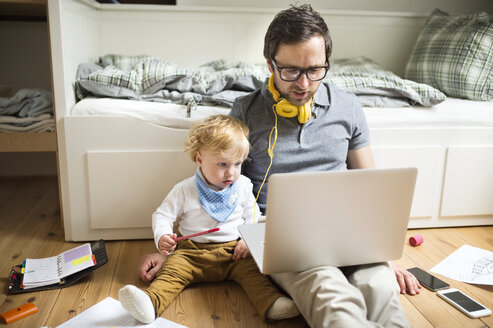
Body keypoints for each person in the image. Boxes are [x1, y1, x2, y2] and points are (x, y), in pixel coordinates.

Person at [137, 4, 422, 327]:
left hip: (346, 231)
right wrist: (167, 250)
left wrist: (381, 254)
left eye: (315, 70)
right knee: (331, 295)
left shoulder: (348, 106)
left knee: (381, 290)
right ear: (270, 64)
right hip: (281, 236)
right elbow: (216, 189)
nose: (304, 84)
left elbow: (372, 188)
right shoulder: (246, 111)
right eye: (291, 71)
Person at [118, 115, 299, 324]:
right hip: (191, 253)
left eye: (237, 164)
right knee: (171, 273)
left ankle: (271, 303)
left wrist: (247, 241)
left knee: (255, 275)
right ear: (199, 159)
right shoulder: (185, 189)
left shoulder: (243, 186)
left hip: (234, 253)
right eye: (222, 164)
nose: (230, 173)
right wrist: (162, 236)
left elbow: (252, 215)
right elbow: (162, 215)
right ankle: (150, 302)